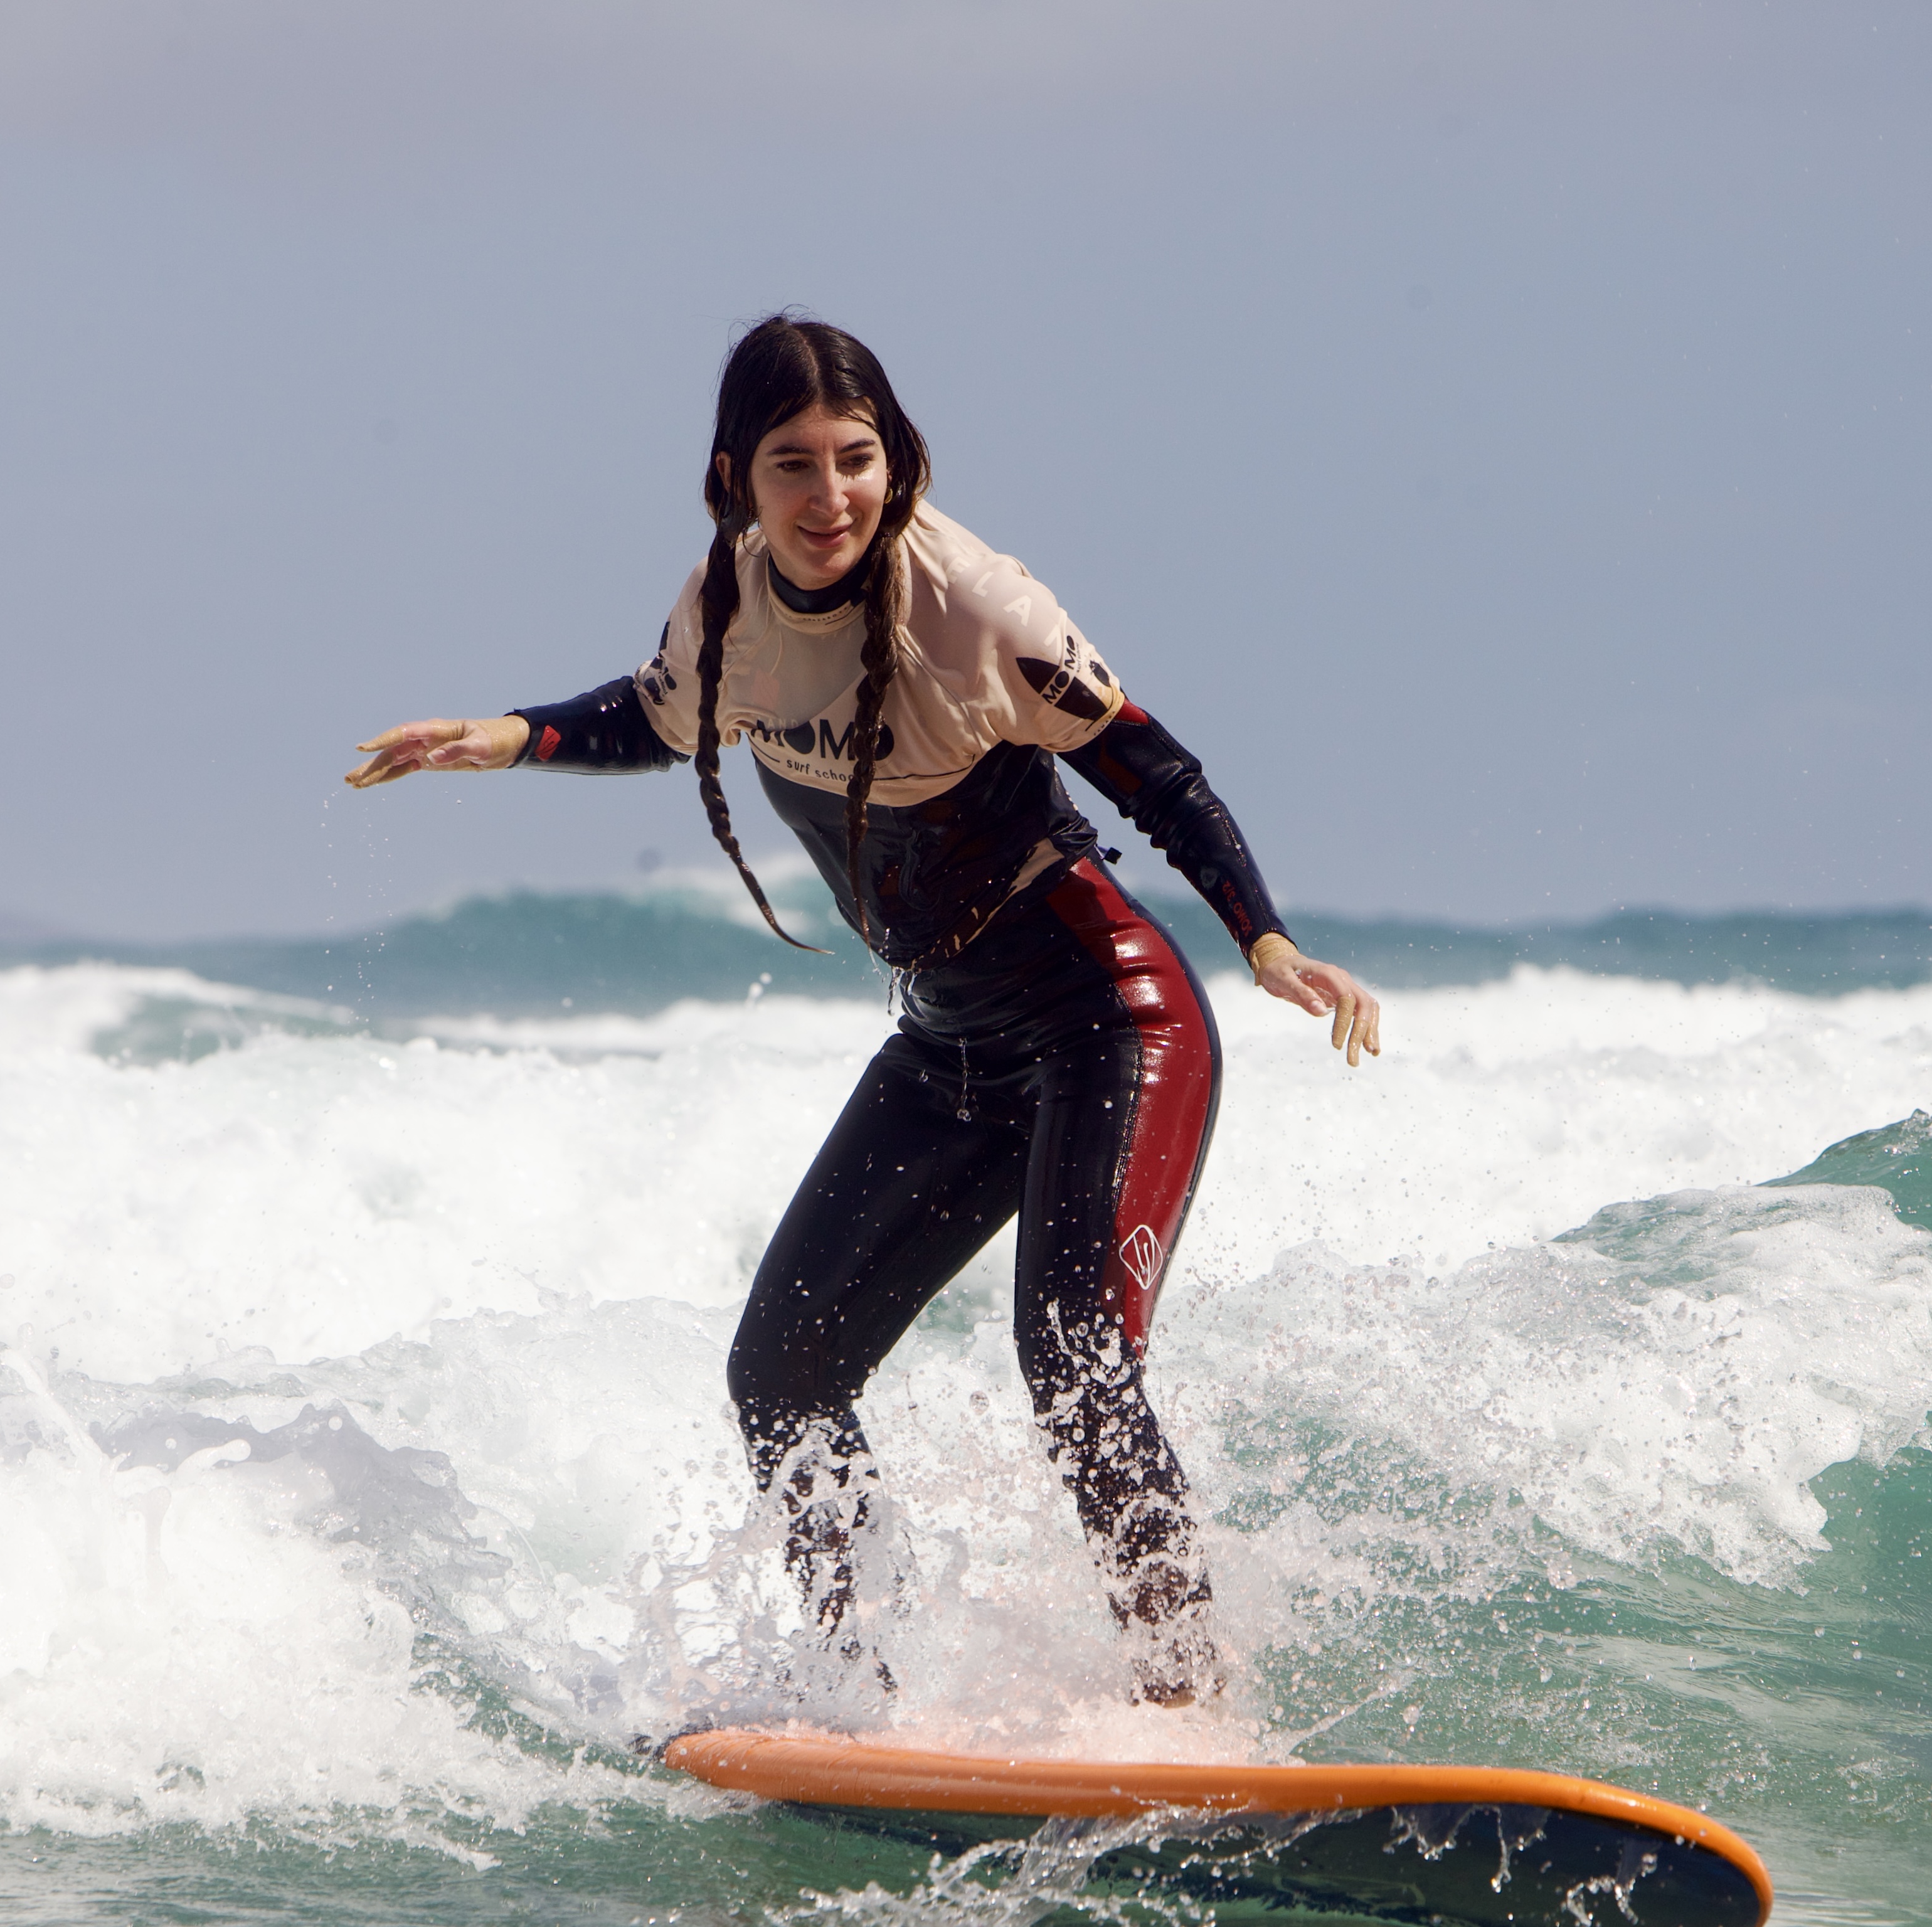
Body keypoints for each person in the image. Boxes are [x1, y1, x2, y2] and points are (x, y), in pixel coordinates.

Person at [346, 315, 1380, 1706]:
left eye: (856, 460)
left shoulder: (979, 607)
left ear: (897, 463)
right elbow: (658, 717)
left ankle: (1194, 1697)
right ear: (735, 481)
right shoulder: (728, 611)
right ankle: (866, 1687)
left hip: (1106, 1018)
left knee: (1075, 1362)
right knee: (782, 1372)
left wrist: (1262, 936)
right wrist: (511, 736)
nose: (830, 495)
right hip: (951, 1039)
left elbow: (1153, 765)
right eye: (794, 467)